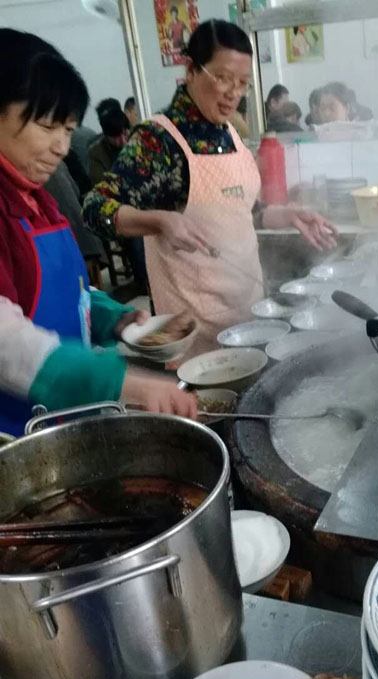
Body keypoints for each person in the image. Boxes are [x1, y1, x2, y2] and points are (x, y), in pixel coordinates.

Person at [83, 20, 336, 357]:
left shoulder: (228, 132)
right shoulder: (158, 139)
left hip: (250, 312)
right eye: (223, 78)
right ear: (190, 71)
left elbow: (240, 211)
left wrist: (287, 214)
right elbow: (95, 208)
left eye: (242, 83)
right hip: (195, 328)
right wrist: (159, 221)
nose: (233, 92)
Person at [0, 29, 196, 435]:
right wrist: (121, 381)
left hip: (67, 420)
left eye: (69, 129)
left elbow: (69, 290)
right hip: (19, 437)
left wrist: (114, 317)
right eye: (47, 125)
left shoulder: (39, 201)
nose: (61, 146)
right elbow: (7, 343)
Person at [89, 107, 131, 186]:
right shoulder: (96, 154)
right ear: (106, 136)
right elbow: (101, 183)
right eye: (116, 137)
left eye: (125, 134)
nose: (123, 141)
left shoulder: (137, 138)